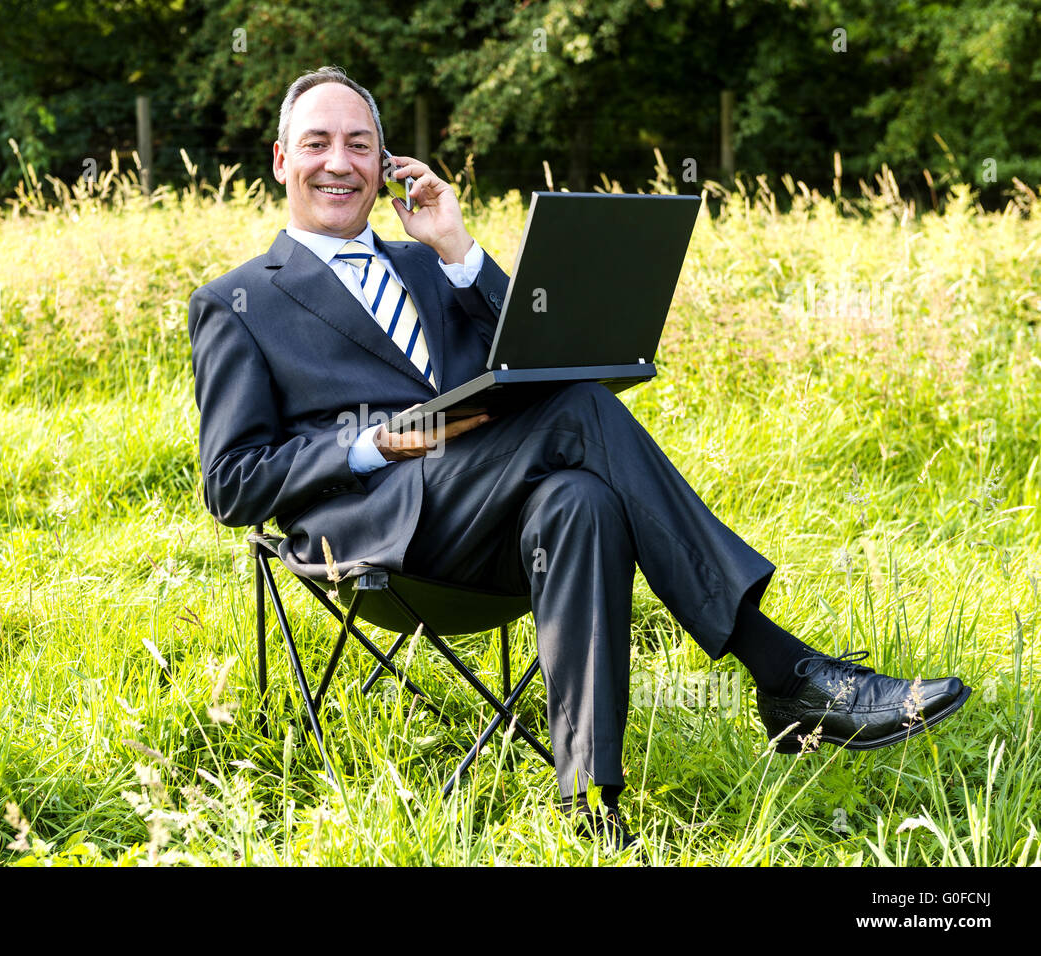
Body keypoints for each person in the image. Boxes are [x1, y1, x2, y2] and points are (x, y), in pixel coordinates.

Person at [186, 66, 972, 848]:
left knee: (581, 502)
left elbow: (532, 358)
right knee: (584, 408)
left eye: (360, 144)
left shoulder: (431, 264)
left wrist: (457, 246)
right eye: (317, 143)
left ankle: (590, 806)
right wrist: (370, 442)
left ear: (385, 165)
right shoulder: (237, 301)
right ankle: (785, 673)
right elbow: (230, 483)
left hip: (488, 525)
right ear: (282, 159)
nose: (339, 161)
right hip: (372, 540)